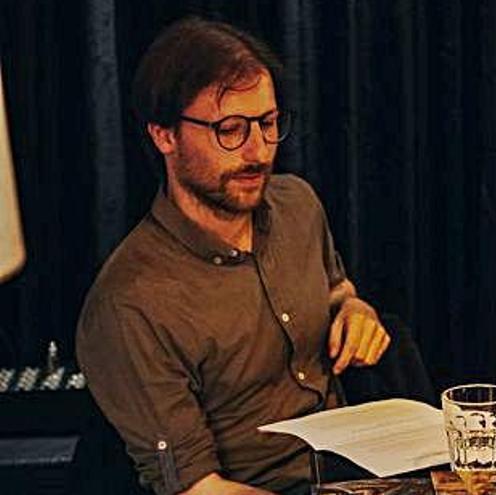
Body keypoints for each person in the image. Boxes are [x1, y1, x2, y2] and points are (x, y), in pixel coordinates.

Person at [76, 17, 390, 495]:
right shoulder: (130, 303)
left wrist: (355, 310)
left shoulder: (297, 205)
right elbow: (198, 488)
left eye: (267, 124)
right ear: (165, 136)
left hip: (356, 466)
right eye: (230, 130)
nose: (258, 151)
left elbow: (338, 291)